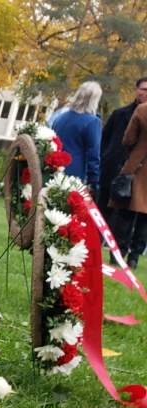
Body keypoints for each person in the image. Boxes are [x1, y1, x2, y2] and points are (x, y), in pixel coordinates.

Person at [99, 77, 147, 216]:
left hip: (135, 174)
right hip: (112, 170)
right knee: (103, 211)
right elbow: (105, 138)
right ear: (136, 90)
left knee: (124, 217)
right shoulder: (119, 114)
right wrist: (105, 158)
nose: (145, 93)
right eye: (143, 89)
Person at [50, 81, 103, 193]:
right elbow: (93, 154)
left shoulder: (60, 117)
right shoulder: (92, 122)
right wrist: (94, 182)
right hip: (74, 174)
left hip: (53, 168)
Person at [112, 101, 147, 268]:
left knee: (125, 211)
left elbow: (128, 139)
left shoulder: (143, 109)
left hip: (137, 164)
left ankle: (118, 252)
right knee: (145, 219)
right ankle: (134, 257)